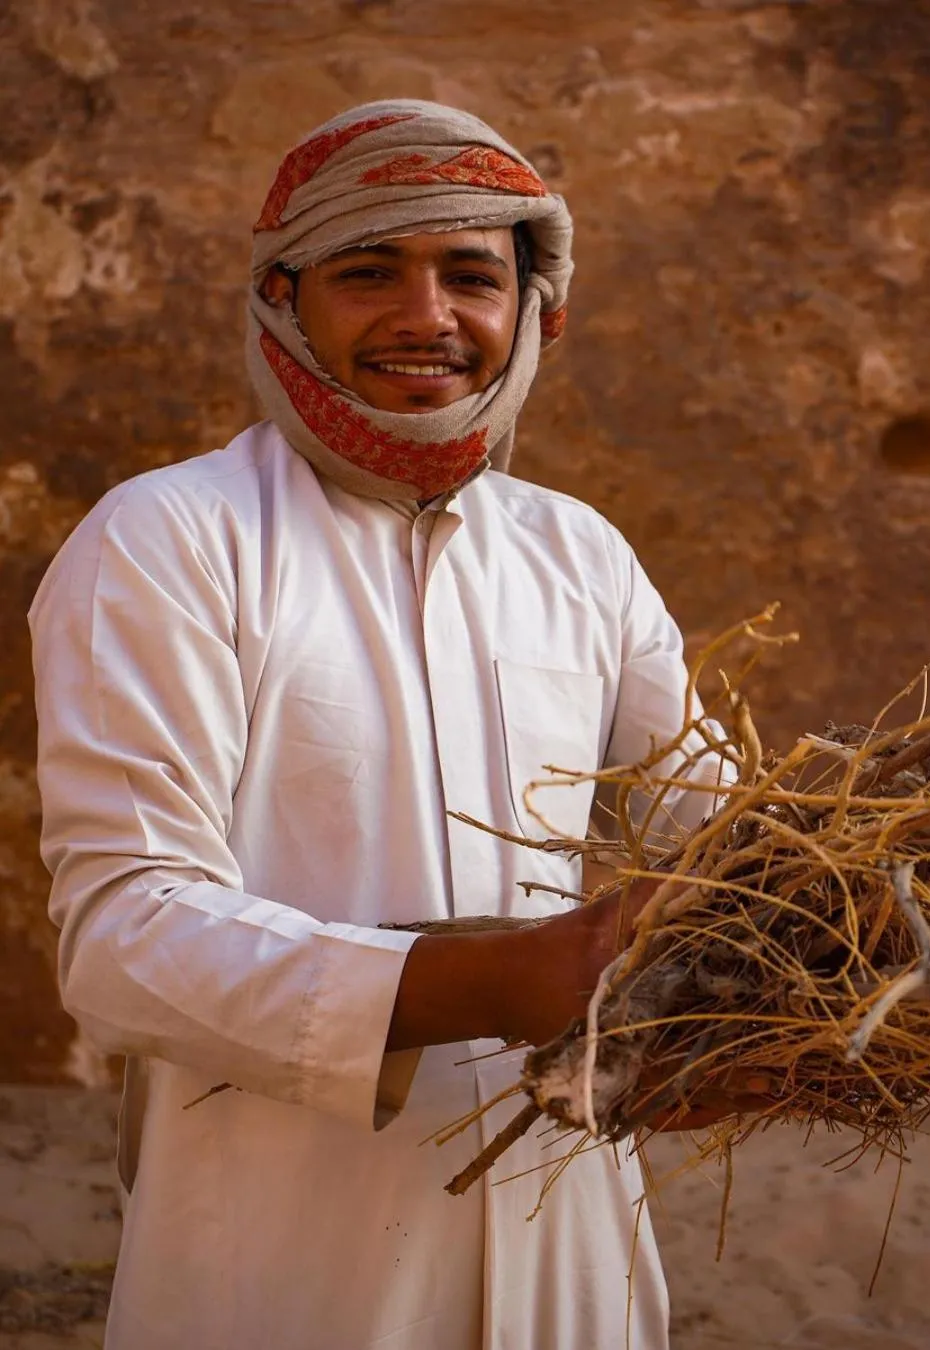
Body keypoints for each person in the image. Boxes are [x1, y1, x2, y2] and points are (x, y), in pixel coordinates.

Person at [30, 100, 753, 1350]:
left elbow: (726, 844)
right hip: (280, 1250)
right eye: (370, 271)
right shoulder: (171, 539)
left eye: (472, 276)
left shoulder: (579, 555)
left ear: (532, 310)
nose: (427, 319)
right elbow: (121, 931)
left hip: (565, 1226)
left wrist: (794, 960)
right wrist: (479, 980)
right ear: (282, 299)